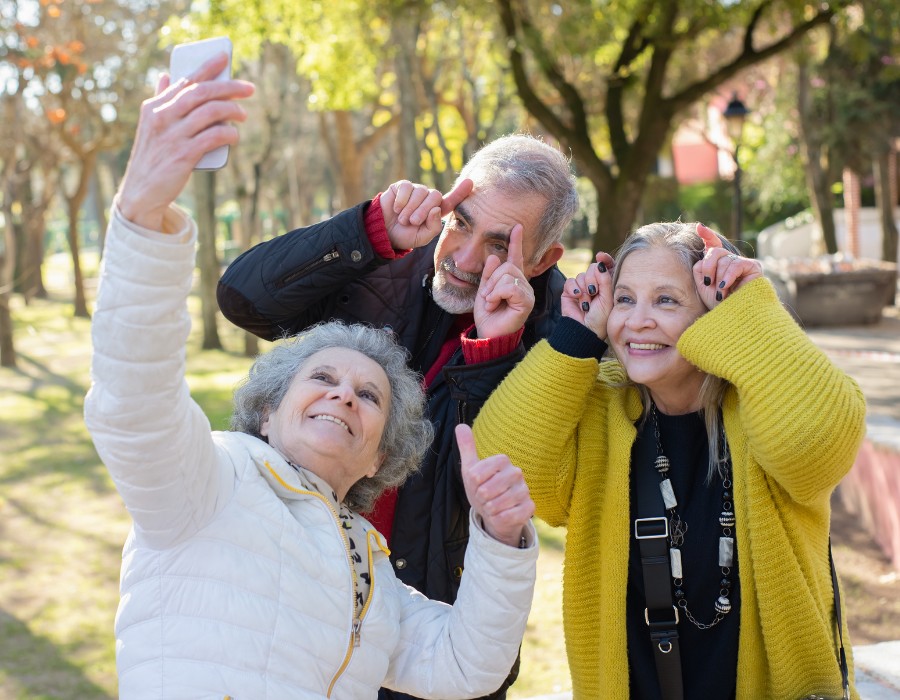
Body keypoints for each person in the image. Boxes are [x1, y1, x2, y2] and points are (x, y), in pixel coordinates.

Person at [84, 52, 540, 699]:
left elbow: (467, 664)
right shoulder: (210, 483)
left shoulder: (373, 574)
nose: (342, 395)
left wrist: (501, 539)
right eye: (321, 377)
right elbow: (132, 402)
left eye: (368, 395)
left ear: (382, 454)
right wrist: (141, 214)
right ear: (268, 411)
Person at [217, 124, 579, 697]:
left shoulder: (563, 334)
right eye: (462, 221)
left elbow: (489, 480)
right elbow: (242, 299)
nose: (461, 258)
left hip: (429, 632)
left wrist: (492, 352)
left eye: (497, 245)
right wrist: (367, 230)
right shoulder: (385, 254)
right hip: (300, 596)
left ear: (542, 259)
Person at [472, 221, 867, 699]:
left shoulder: (764, 404)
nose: (637, 320)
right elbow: (505, 466)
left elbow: (817, 445)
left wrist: (751, 309)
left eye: (665, 300)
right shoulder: (601, 407)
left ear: (712, 313)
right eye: (625, 299)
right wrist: (576, 336)